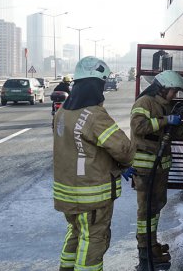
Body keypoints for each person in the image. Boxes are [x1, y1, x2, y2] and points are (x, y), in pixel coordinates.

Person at [53, 56, 136, 271]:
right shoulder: (95, 115)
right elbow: (123, 149)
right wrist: (124, 164)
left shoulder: (62, 112)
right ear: (96, 85)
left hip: (66, 193)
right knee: (94, 240)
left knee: (77, 233)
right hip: (92, 195)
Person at [129, 70, 183, 268]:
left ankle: (151, 244)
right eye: (173, 91)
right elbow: (138, 127)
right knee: (146, 211)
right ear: (163, 87)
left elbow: (174, 132)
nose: (175, 95)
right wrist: (166, 120)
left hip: (159, 168)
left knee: (156, 206)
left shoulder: (166, 106)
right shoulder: (145, 103)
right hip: (145, 168)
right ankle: (145, 252)